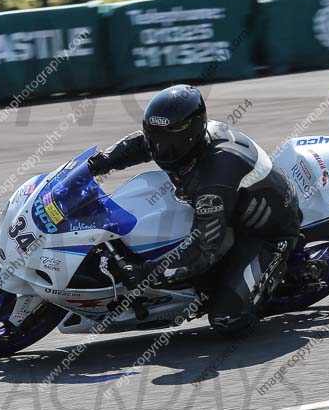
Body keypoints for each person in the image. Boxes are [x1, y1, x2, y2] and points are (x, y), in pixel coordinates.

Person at [87, 84, 302, 335]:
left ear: (192, 135)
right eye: (154, 138)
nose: (160, 148)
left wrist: (146, 274)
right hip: (228, 214)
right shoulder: (173, 141)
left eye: (168, 142)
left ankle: (262, 284)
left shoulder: (216, 177)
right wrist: (95, 165)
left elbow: (202, 251)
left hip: (265, 232)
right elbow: (137, 146)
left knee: (227, 319)